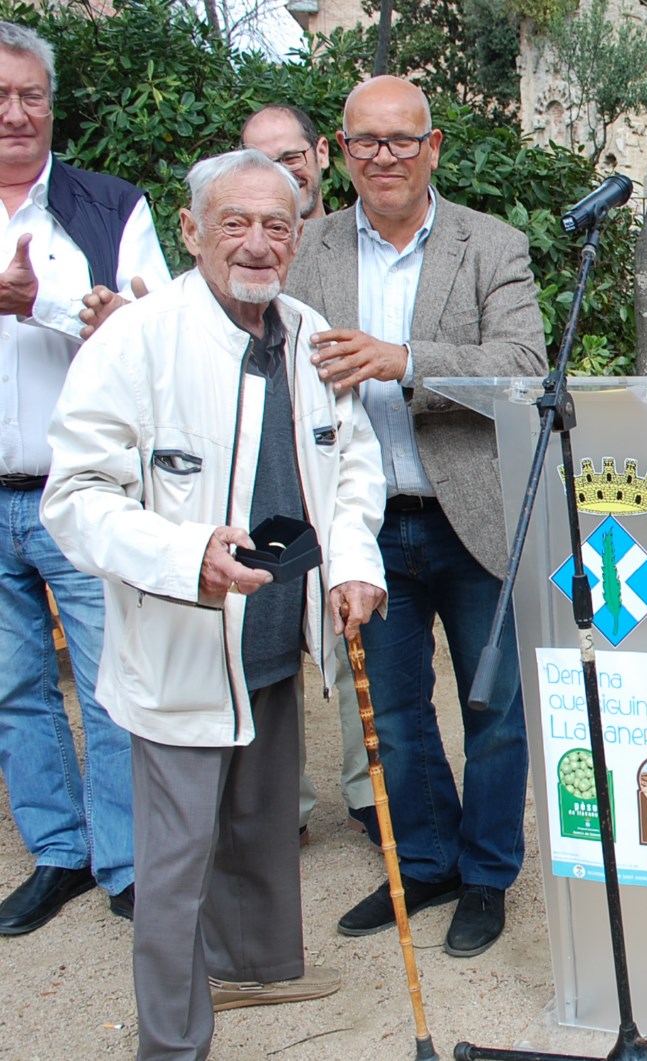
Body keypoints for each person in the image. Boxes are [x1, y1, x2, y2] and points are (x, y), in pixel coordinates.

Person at [41, 148, 387, 1060]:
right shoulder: (137, 338)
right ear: (190, 231)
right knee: (175, 866)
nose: (257, 243)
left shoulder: (311, 333)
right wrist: (183, 552)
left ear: (301, 233)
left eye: (277, 224)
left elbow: (351, 466)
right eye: (234, 222)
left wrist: (355, 563)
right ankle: (172, 1039)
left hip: (276, 635)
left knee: (258, 830)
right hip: (182, 645)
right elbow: (75, 497)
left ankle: (243, 974)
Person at [286, 75, 546, 957]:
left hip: (471, 513)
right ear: (340, 150)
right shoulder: (307, 247)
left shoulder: (491, 244)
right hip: (361, 523)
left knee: (496, 709)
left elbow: (521, 364)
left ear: (433, 148)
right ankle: (428, 860)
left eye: (402, 140)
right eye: (366, 141)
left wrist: (401, 360)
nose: (385, 157)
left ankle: (486, 874)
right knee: (391, 715)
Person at [0, 20, 167, 936]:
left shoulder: (111, 208)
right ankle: (58, 851)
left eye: (32, 95)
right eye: (0, 97)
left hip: (82, 494)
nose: (17, 114)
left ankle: (128, 860)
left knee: (111, 686)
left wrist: (57, 305)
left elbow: (157, 338)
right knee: (12, 687)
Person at [240, 103, 379, 845]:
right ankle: (281, 802)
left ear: (322, 155)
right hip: (273, 473)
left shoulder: (357, 237)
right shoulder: (252, 243)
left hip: (350, 469)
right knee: (269, 635)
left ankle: (366, 789)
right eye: (259, 159)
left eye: (290, 155)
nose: (279, 172)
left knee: (353, 629)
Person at [241, 103, 329, 221]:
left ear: (322, 153)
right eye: (264, 165)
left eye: (290, 159)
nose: (282, 176)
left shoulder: (357, 237)